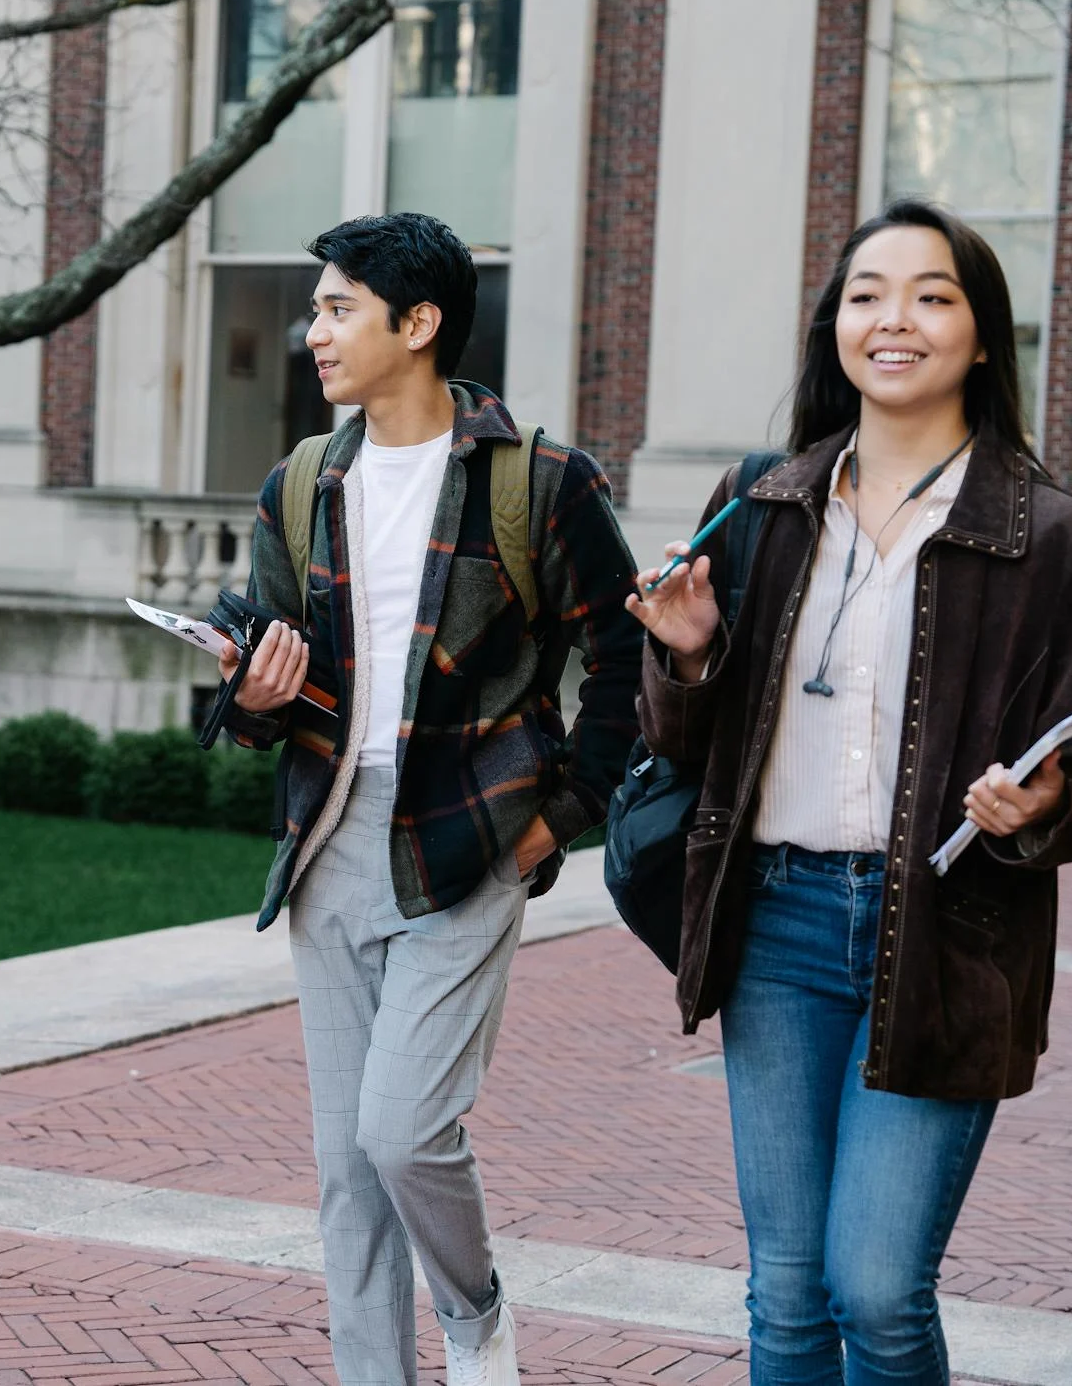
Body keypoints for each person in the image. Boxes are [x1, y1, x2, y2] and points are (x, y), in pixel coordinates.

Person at [626, 198, 1072, 1385]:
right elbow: (680, 739)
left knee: (876, 1287)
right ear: (835, 328)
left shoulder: (1062, 539)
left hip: (949, 936)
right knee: (790, 1294)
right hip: (777, 925)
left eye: (932, 295)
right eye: (867, 294)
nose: (893, 319)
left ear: (980, 334)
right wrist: (690, 652)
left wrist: (1048, 807)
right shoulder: (763, 505)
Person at [219, 212, 644, 1386]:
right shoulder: (304, 482)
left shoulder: (539, 482)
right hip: (329, 845)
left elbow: (626, 660)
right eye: (315, 309)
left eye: (337, 308)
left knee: (402, 1133)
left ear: (419, 324)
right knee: (345, 1173)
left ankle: (474, 1310)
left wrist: (561, 819)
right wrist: (252, 689)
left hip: (468, 844)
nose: (313, 332)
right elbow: (270, 687)